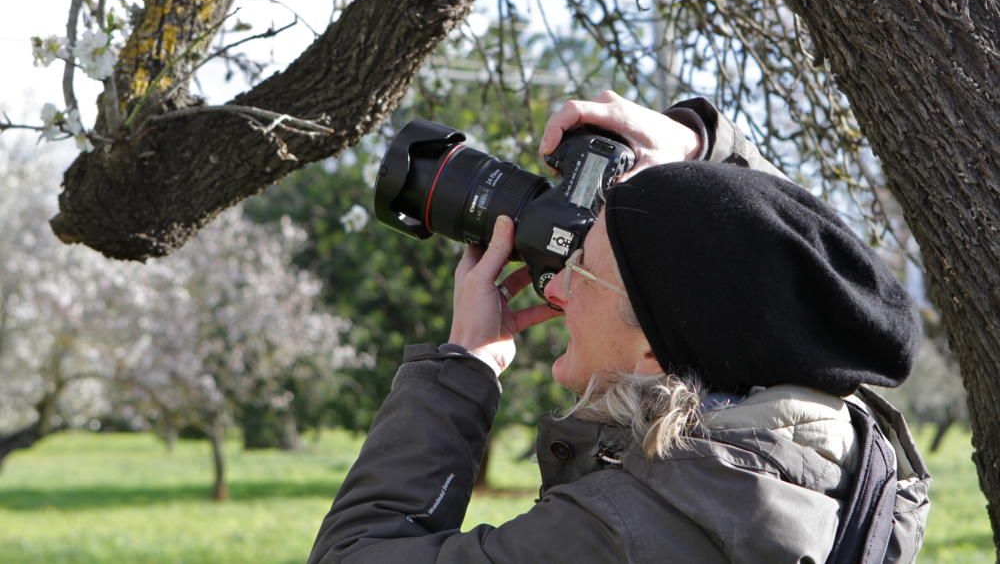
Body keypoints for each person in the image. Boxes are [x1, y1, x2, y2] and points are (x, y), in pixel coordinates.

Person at [307, 91, 931, 564]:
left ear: (655, 353)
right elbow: (805, 271)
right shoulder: (843, 456)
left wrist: (462, 367)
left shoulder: (621, 534)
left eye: (583, 270)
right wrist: (701, 150)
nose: (554, 286)